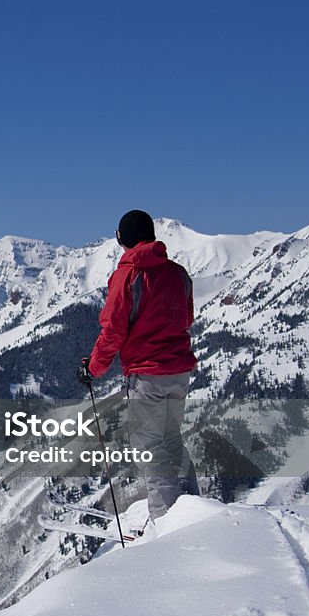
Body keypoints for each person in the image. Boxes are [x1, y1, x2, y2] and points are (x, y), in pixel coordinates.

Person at [78, 209, 199, 522]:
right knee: (171, 439)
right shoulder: (178, 273)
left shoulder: (128, 275)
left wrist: (93, 368)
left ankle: (168, 525)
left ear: (124, 239)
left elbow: (113, 330)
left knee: (153, 451)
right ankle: (195, 513)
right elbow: (186, 319)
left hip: (148, 373)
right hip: (179, 370)